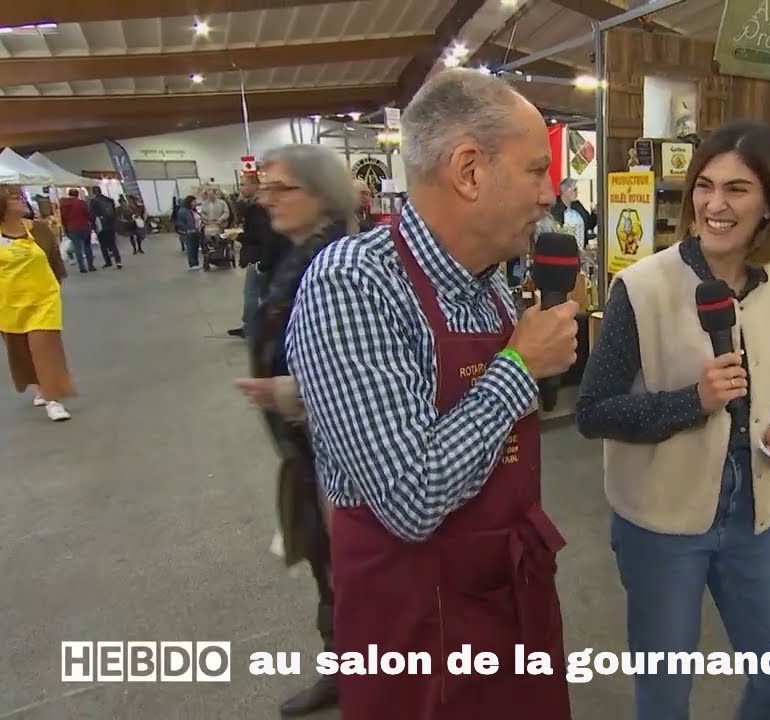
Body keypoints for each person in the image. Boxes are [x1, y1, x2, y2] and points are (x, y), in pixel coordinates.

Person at [285, 68, 577, 719]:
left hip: (511, 601)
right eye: (535, 170)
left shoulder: (491, 287)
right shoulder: (354, 285)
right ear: (469, 170)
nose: (549, 193)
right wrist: (520, 368)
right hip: (416, 624)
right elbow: (411, 497)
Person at [575, 120, 770, 720]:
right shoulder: (643, 288)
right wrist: (691, 401)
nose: (715, 204)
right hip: (660, 523)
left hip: (754, 514)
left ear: (768, 206)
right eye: (705, 186)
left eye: (737, 189)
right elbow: (593, 411)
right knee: (665, 698)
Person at [233, 144, 357, 717]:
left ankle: (368, 679)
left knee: (348, 570)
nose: (268, 198)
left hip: (339, 457)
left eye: (283, 188)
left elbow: (363, 371)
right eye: (267, 187)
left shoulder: (339, 263)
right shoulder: (298, 253)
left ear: (321, 193)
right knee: (326, 565)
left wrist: (293, 392)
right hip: (304, 449)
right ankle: (343, 669)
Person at [0, 185, 75, 421]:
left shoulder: (38, 229)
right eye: (13, 198)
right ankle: (40, 386)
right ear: (0, 206)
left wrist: (57, 285)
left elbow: (54, 259)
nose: (21, 200)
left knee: (45, 349)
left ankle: (53, 398)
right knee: (21, 350)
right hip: (6, 303)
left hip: (43, 300)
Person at [229, 174, 282, 340]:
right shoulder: (257, 206)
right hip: (263, 258)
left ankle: (253, 328)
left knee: (252, 295)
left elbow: (265, 236)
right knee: (265, 295)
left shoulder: (259, 208)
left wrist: (239, 237)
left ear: (255, 185)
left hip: (258, 258)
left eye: (243, 184)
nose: (241, 187)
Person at [58, 188, 94, 273]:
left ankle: (82, 267)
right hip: (84, 226)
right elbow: (88, 214)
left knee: (77, 248)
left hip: (72, 228)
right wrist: (92, 224)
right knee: (87, 246)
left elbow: (63, 218)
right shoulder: (82, 203)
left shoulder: (64, 205)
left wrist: (65, 228)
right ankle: (91, 266)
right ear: (77, 194)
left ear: (69, 194)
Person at [87, 186, 121, 269]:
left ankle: (108, 262)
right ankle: (118, 261)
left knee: (103, 245)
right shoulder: (109, 200)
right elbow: (115, 213)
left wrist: (93, 226)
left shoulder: (93, 201)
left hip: (100, 226)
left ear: (93, 192)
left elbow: (91, 215)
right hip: (110, 225)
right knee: (113, 244)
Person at [175, 195, 203, 270]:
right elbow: (181, 222)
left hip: (195, 231)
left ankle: (195, 263)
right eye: (194, 201)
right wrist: (187, 230)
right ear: (190, 202)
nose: (196, 203)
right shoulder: (184, 211)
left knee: (195, 247)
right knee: (191, 247)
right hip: (190, 232)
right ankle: (192, 264)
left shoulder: (192, 210)